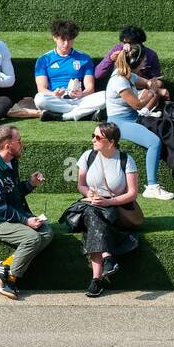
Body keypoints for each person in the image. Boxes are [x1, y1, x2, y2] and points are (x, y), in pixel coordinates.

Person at [107, 45, 174, 197]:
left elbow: (150, 83)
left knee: (165, 125)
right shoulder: (119, 81)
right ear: (135, 63)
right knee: (154, 142)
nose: (145, 61)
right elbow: (138, 104)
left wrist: (156, 87)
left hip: (135, 118)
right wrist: (152, 91)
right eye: (143, 60)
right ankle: (151, 186)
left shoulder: (130, 75)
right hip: (120, 123)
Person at [60, 123, 141, 299]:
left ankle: (96, 280)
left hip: (114, 207)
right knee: (92, 214)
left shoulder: (126, 160)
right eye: (93, 135)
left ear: (111, 142)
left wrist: (108, 201)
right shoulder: (88, 155)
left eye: (98, 137)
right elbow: (81, 185)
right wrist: (88, 193)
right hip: (90, 205)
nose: (93, 140)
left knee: (94, 219)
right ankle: (107, 258)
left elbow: (132, 193)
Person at [0, 125, 53, 301]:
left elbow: (11, 192)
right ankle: (10, 281)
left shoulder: (9, 162)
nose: (22, 144)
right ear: (8, 146)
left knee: (47, 233)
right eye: (20, 141)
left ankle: (5, 266)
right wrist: (26, 222)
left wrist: (30, 184)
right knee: (31, 238)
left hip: (5, 215)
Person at [33, 19, 104, 122]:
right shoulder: (43, 59)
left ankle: (65, 116)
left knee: (106, 96)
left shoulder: (84, 58)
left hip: (79, 100)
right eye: (62, 39)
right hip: (57, 100)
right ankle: (84, 114)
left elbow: (90, 88)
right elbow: (41, 89)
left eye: (70, 39)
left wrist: (82, 94)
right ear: (55, 38)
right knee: (39, 99)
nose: (66, 44)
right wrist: (53, 94)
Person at [94, 26, 162, 88]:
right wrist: (110, 59)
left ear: (139, 43)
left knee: (156, 93)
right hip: (121, 87)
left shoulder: (150, 55)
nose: (127, 46)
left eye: (130, 43)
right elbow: (98, 74)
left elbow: (157, 80)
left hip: (142, 89)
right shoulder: (118, 49)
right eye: (124, 43)